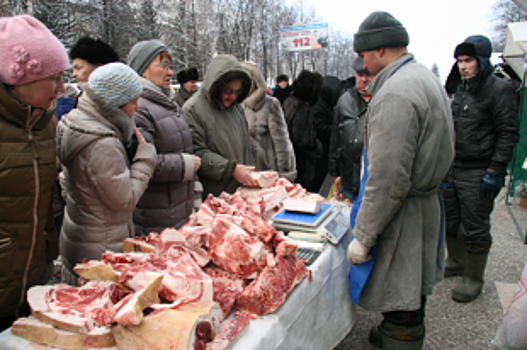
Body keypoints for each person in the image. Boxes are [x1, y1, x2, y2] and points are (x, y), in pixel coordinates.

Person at [348, 11, 454, 349]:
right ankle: (394, 333)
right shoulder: (424, 76)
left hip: (404, 212)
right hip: (422, 203)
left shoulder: (395, 92)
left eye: (363, 52)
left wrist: (363, 237)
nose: (362, 61)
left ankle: (400, 339)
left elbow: (388, 179)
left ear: (379, 50)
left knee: (403, 298)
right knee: (411, 289)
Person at [57, 63, 156, 284]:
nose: (137, 109)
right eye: (133, 102)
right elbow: (125, 201)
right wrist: (146, 158)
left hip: (80, 235)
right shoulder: (102, 143)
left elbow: (64, 180)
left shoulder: (76, 123)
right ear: (115, 105)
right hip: (100, 246)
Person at [0, 14, 69, 331]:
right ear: (19, 78)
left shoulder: (45, 124)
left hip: (32, 278)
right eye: (54, 78)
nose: (62, 87)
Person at [442, 35, 519, 303]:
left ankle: (474, 277)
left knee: (475, 224)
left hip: (479, 168)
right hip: (454, 166)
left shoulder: (499, 90)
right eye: (460, 61)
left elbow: (508, 132)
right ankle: (457, 261)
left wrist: (496, 169)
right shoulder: (460, 88)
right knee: (451, 219)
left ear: (482, 61)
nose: (463, 66)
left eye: (469, 60)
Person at [127, 39, 201, 235]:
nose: (170, 72)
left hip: (177, 210)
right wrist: (185, 164)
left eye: (171, 66)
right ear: (142, 70)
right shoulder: (138, 108)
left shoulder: (169, 103)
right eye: (163, 65)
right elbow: (143, 161)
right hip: (155, 216)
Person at [183, 54, 257, 197]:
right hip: (215, 195)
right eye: (228, 91)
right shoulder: (192, 109)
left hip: (241, 190)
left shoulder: (236, 107)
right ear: (216, 85)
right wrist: (231, 169)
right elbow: (197, 154)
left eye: (237, 92)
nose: (233, 97)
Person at [240, 61, 297, 182]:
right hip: (242, 175)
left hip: (266, 173)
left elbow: (281, 140)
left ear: (255, 82)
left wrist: (284, 173)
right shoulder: (233, 107)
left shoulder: (269, 104)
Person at [329, 56, 375, 202]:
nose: (364, 79)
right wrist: (334, 170)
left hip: (374, 181)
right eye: (360, 75)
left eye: (368, 75)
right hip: (349, 178)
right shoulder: (345, 101)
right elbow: (335, 138)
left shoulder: (384, 99)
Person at [283, 70, 323, 193]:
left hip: (291, 160)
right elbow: (304, 141)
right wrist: (319, 148)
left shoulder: (289, 101)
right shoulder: (303, 108)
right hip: (303, 165)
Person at [312, 75, 341, 192]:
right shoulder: (319, 106)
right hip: (321, 150)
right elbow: (319, 127)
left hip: (324, 149)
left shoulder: (326, 103)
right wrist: (336, 131)